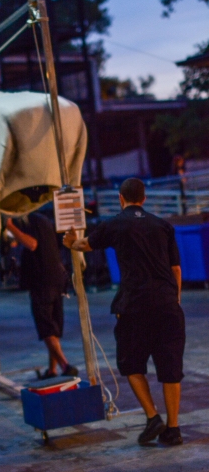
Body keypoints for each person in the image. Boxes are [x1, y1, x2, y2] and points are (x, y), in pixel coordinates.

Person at [63, 178, 185, 446]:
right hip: (168, 308)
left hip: (135, 306)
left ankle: (153, 417)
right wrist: (173, 300)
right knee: (170, 369)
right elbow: (176, 270)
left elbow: (85, 245)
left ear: (121, 199)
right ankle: (173, 429)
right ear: (143, 198)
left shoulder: (116, 223)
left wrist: (71, 242)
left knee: (131, 363)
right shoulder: (163, 226)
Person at [5, 212, 79, 380]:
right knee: (53, 326)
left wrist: (10, 227)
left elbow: (31, 244)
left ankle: (65, 365)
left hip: (42, 281)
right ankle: (52, 370)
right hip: (56, 278)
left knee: (45, 327)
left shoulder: (30, 222)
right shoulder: (45, 220)